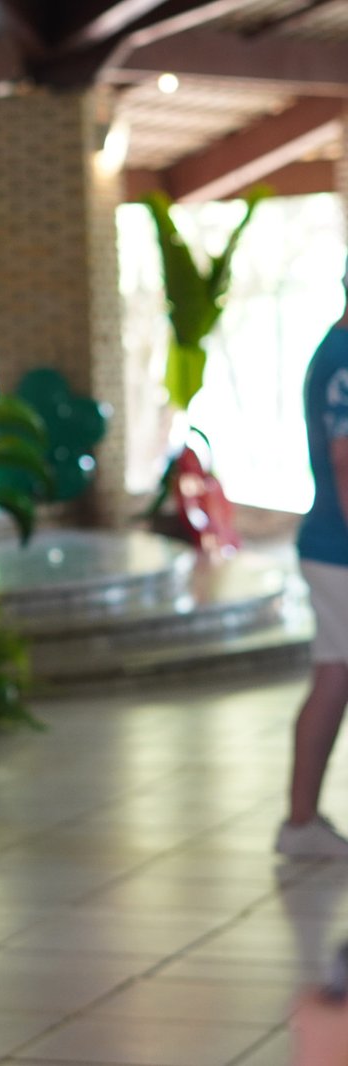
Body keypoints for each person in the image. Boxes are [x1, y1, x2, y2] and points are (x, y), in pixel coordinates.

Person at [282, 270, 348, 859]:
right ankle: (299, 823)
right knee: (333, 677)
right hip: (339, 549)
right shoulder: (344, 360)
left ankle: (301, 823)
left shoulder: (334, 348)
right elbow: (346, 462)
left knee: (333, 675)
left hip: (329, 545)